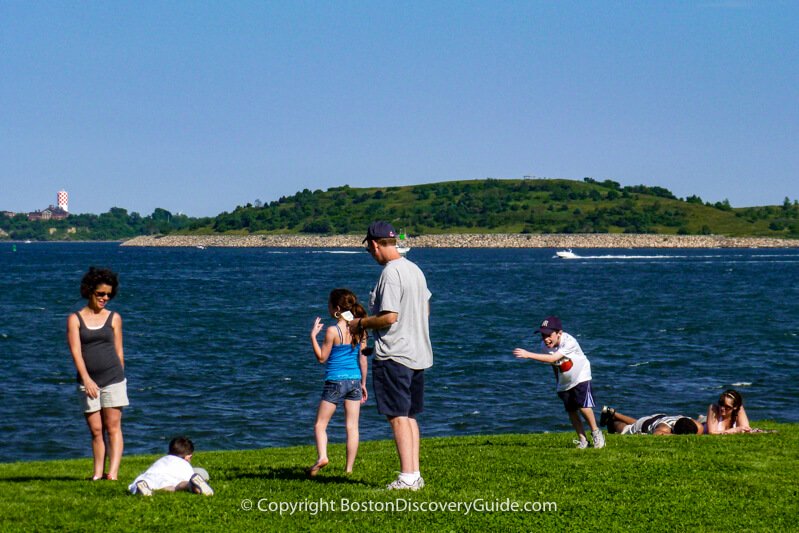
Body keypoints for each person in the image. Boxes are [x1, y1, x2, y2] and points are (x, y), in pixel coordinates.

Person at [348, 221, 433, 491]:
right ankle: (414, 474)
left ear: (374, 244)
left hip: (395, 354)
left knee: (397, 415)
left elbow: (390, 317)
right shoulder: (415, 269)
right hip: (418, 351)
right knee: (409, 415)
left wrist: (360, 324)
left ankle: (407, 477)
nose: (371, 254)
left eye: (369, 249)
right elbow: (425, 309)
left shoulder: (390, 273)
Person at [67, 267, 128, 481]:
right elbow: (76, 352)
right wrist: (86, 379)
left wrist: (121, 376)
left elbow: (119, 351)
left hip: (113, 379)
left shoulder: (114, 318)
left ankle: (112, 474)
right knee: (96, 430)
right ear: (90, 291)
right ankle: (96, 473)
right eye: (101, 293)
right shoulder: (75, 319)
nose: (105, 298)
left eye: (108, 295)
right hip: (88, 382)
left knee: (113, 428)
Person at [513, 316, 605, 449]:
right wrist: (558, 383)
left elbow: (553, 358)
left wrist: (528, 354)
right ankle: (583, 439)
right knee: (571, 410)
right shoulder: (544, 346)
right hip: (565, 380)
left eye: (549, 335)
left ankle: (596, 433)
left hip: (580, 376)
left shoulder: (569, 342)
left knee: (583, 406)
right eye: (543, 335)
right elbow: (554, 365)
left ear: (559, 333)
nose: (546, 339)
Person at [307, 289, 369, 477]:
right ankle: (348, 470)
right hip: (355, 380)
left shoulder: (333, 331)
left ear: (337, 309)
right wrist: (364, 383)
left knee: (320, 425)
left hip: (335, 381)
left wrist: (312, 337)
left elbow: (321, 358)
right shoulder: (359, 328)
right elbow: (363, 359)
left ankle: (323, 457)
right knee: (352, 427)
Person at [129, 436, 214, 496]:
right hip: (175, 476)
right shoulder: (184, 464)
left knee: (152, 483)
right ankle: (192, 485)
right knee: (180, 485)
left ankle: (143, 488)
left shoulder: (163, 459)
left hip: (153, 475)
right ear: (188, 457)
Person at [600, 407, 704, 435]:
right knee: (626, 429)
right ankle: (612, 421)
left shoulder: (695, 425)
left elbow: (700, 429)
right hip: (646, 425)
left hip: (658, 418)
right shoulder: (664, 428)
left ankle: (613, 413)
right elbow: (657, 434)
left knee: (637, 421)